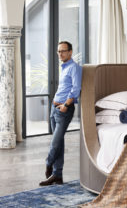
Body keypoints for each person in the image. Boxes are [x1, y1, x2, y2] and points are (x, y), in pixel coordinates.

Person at [39, 41, 82, 186]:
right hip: (54, 108)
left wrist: (66, 105)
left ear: (70, 52)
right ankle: (57, 175)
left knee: (55, 142)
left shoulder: (74, 68)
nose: (60, 54)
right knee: (59, 143)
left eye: (63, 51)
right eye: (58, 51)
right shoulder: (64, 67)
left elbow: (76, 89)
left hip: (64, 109)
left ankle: (48, 163)